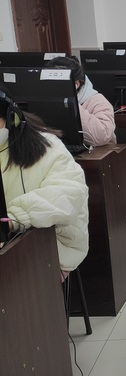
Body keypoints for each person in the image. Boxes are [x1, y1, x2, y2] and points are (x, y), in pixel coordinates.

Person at [0, 84, 89, 272]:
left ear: (11, 118)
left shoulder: (47, 147)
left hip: (50, 246)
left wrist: (15, 218)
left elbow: (67, 195)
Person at [45, 54, 116, 147]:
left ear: (76, 84)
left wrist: (72, 104)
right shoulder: (47, 102)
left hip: (97, 153)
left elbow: (102, 137)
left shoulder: (98, 101)